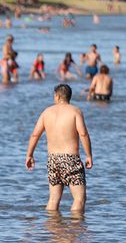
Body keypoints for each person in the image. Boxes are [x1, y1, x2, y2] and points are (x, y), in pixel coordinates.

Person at [25, 84, 93, 215]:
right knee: (79, 199)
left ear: (57, 96)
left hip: (53, 159)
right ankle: (75, 228)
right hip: (70, 159)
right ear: (69, 97)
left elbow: (35, 135)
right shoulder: (75, 111)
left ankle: (52, 227)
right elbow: (83, 134)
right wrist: (88, 155)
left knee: (53, 199)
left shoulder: (47, 112)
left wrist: (29, 154)